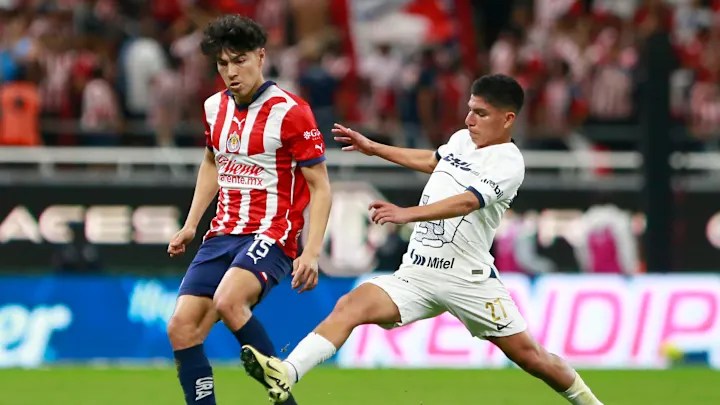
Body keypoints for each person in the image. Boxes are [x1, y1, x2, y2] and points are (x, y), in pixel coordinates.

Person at [241, 74, 603, 405]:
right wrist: (374, 148)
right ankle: (286, 373)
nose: (469, 120)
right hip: (417, 274)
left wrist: (407, 213)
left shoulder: (508, 162)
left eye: (480, 113)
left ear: (508, 119)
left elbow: (467, 202)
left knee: (531, 358)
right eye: (469, 110)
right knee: (351, 305)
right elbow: (433, 161)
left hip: (468, 280)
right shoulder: (461, 141)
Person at [165, 15, 332, 405]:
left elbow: (321, 186)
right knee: (182, 328)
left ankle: (283, 394)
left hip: (272, 233)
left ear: (260, 56)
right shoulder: (213, 108)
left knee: (228, 301)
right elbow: (212, 162)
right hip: (221, 234)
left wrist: (311, 251)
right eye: (222, 64)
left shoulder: (291, 111)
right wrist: (191, 224)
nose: (231, 72)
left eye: (239, 61)